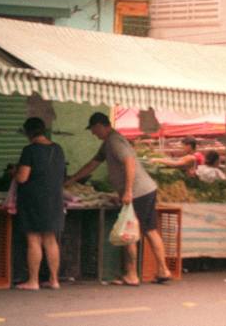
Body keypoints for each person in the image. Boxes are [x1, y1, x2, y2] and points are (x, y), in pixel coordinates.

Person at [67, 112, 172, 286]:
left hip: (138, 192)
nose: (93, 134)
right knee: (150, 230)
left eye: (93, 129)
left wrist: (128, 191)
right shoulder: (108, 143)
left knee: (129, 232)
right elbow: (93, 164)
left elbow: (129, 161)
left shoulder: (114, 141)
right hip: (146, 190)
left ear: (100, 125)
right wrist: (72, 180)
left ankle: (132, 274)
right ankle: (163, 270)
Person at [14, 117, 66, 291]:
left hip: (34, 200)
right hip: (54, 199)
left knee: (34, 239)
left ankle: (33, 281)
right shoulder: (58, 149)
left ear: (28, 132)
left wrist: (13, 172)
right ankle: (54, 280)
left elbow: (23, 177)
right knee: (51, 240)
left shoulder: (30, 150)